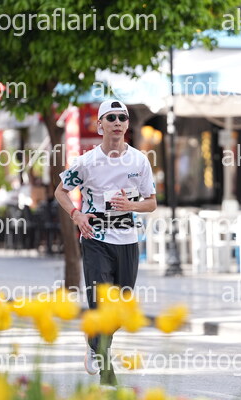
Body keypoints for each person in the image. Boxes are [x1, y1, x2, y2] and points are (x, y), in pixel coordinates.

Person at [54, 100, 157, 386]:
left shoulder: (139, 161)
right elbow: (60, 191)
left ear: (127, 124)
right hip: (96, 239)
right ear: (100, 125)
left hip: (127, 240)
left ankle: (93, 340)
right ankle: (106, 372)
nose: (117, 122)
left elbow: (151, 203)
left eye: (122, 117)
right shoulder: (87, 162)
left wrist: (130, 205)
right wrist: (76, 215)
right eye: (110, 118)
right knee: (102, 304)